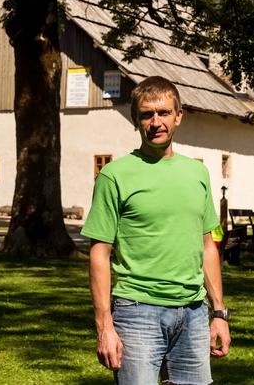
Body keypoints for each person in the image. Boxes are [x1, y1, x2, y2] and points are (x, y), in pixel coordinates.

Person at [82, 76, 231, 384]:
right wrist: (104, 326)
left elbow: (207, 246)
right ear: (136, 120)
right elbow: (99, 252)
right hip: (137, 312)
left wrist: (219, 313)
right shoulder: (114, 176)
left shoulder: (197, 174)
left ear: (178, 116)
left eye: (163, 112)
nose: (156, 122)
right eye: (147, 114)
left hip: (193, 312)